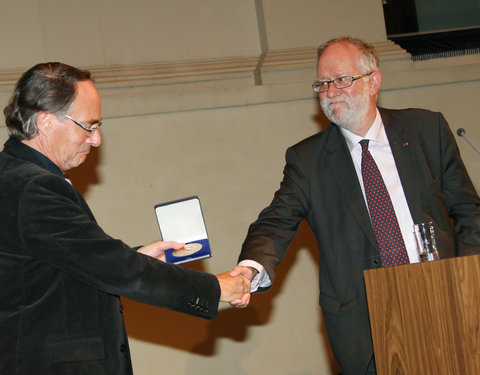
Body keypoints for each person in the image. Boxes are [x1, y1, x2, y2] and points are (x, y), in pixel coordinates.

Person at [230, 37, 480, 374]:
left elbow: (469, 213)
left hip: (444, 303)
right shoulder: (308, 160)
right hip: (365, 327)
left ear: (373, 81)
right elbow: (275, 221)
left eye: (342, 80)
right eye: (322, 84)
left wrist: (466, 286)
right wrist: (251, 268)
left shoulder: (426, 130)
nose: (330, 92)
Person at [0, 62, 250, 375]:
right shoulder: (35, 186)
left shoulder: (13, 174)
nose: (96, 140)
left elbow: (66, 262)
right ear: (46, 122)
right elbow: (114, 269)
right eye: (88, 126)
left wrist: (133, 256)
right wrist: (215, 288)